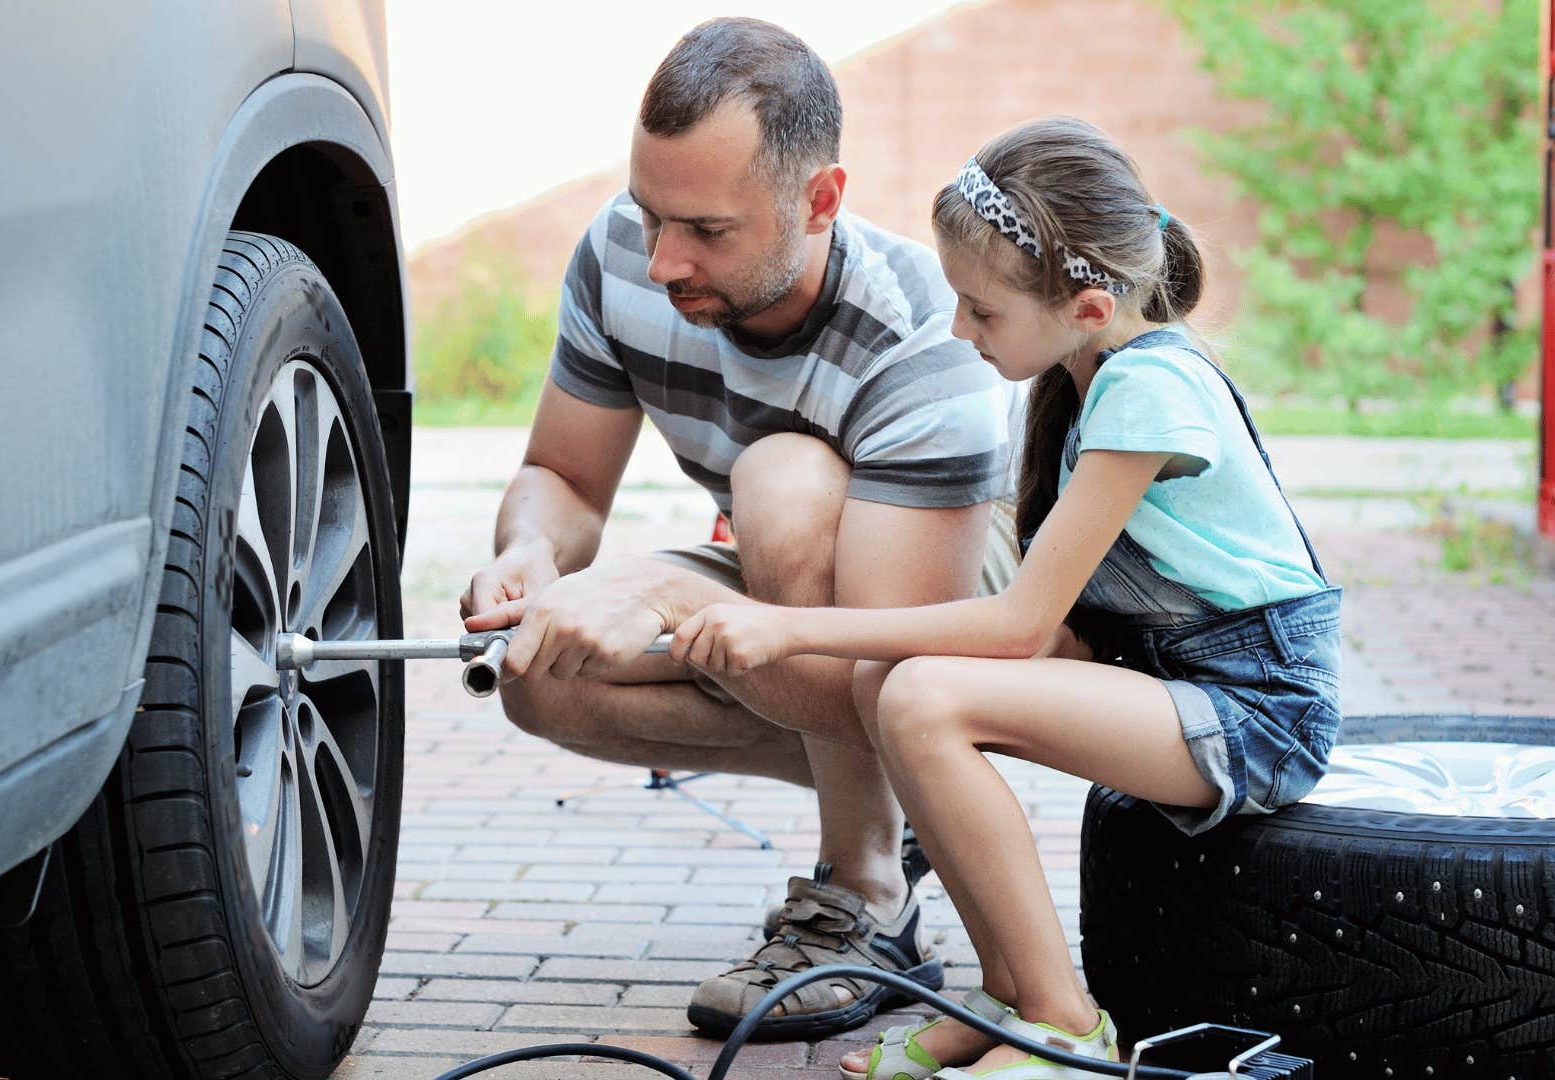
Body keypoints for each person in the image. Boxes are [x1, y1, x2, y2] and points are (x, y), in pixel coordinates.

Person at [667, 116, 1343, 1078]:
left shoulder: (1150, 391)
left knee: (920, 694)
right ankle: (1008, 995)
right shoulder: (1089, 371)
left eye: (981, 312)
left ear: (1089, 305)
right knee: (891, 687)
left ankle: (1066, 1026)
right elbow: (1053, 624)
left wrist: (785, 627)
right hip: (1177, 680)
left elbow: (1020, 624)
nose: (958, 330)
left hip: (1254, 710)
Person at [458, 18, 1029, 1039]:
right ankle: (913, 813)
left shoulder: (922, 341)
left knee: (779, 475)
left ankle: (867, 896)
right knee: (542, 672)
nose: (665, 260)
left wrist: (673, 597)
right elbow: (564, 476)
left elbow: (890, 674)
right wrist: (531, 551)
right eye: (650, 214)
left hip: (946, 615)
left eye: (709, 232)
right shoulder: (620, 260)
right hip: (811, 602)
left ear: (820, 203)